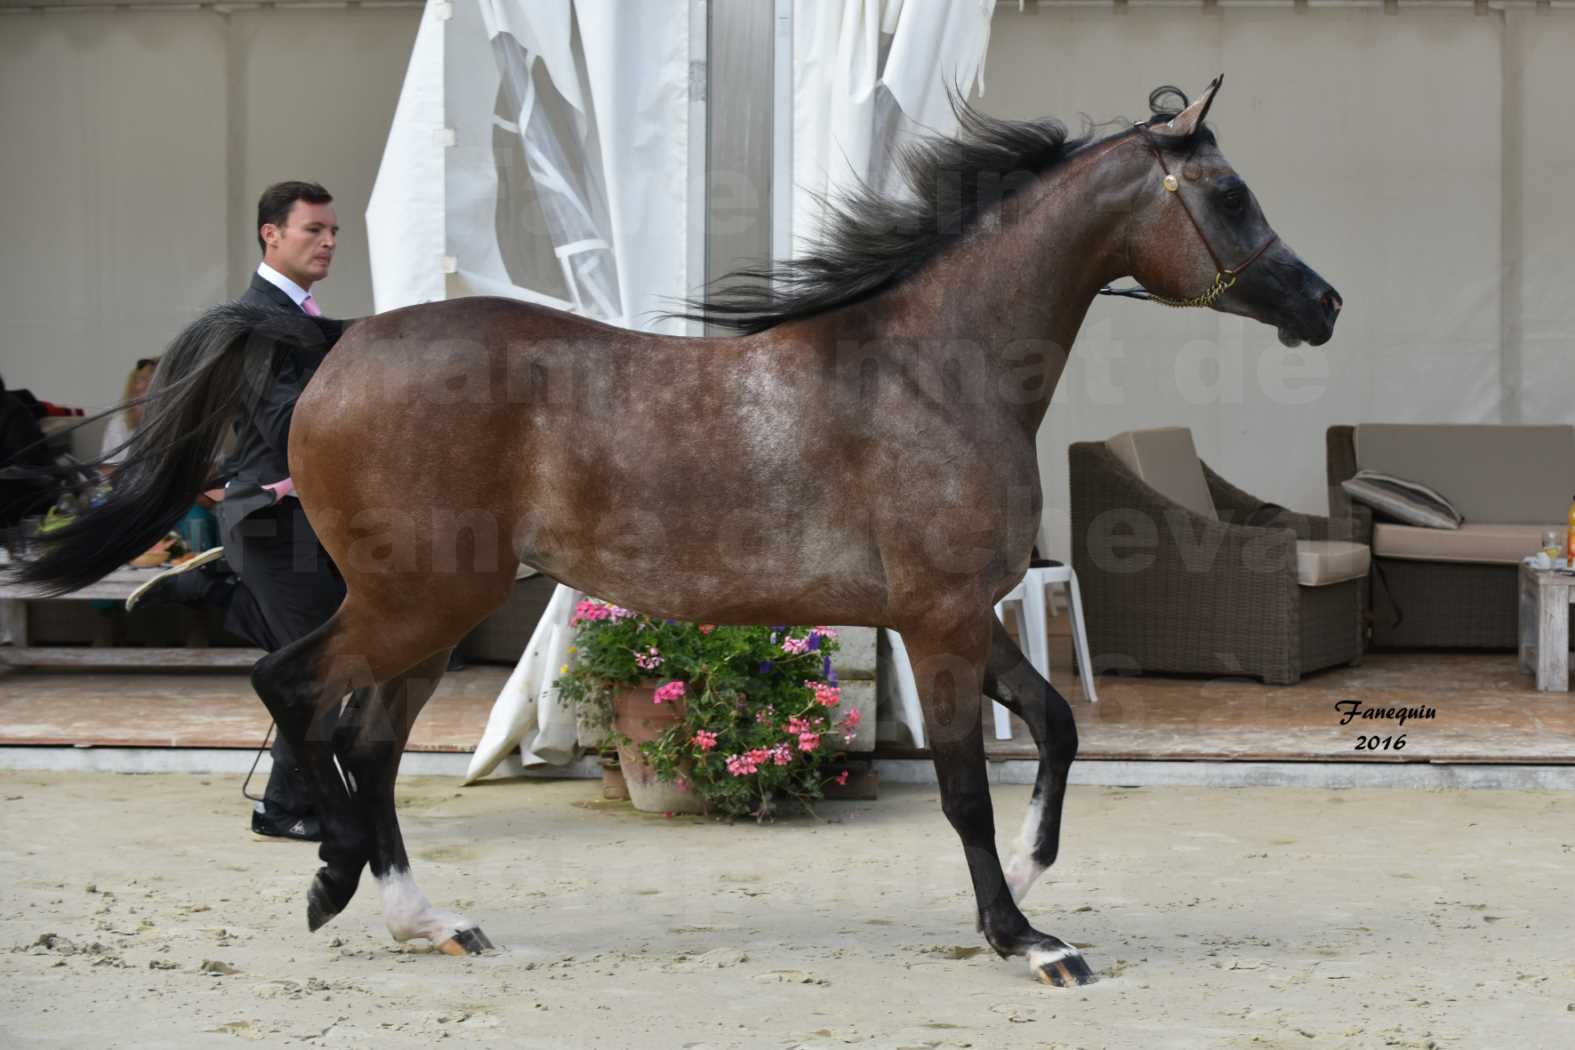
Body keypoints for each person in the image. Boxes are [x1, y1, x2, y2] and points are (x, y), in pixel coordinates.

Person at [128, 181, 344, 842]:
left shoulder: (300, 317)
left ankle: (216, 592)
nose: (328, 241)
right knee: (316, 663)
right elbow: (281, 422)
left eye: (333, 231)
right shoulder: (253, 320)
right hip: (270, 524)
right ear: (270, 234)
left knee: (314, 658)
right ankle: (287, 808)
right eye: (313, 229)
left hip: (301, 520)